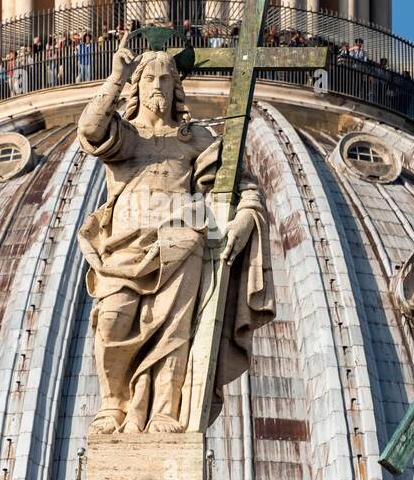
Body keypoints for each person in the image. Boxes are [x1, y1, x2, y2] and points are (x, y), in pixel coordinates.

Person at [76, 32, 275, 434]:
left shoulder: (197, 139)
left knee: (175, 331)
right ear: (137, 85)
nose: (158, 87)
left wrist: (244, 219)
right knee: (113, 319)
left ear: (176, 88)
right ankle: (115, 404)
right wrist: (115, 79)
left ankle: (165, 408)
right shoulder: (126, 136)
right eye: (150, 79)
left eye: (166, 79)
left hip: (181, 240)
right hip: (124, 245)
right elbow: (92, 129)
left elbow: (243, 187)